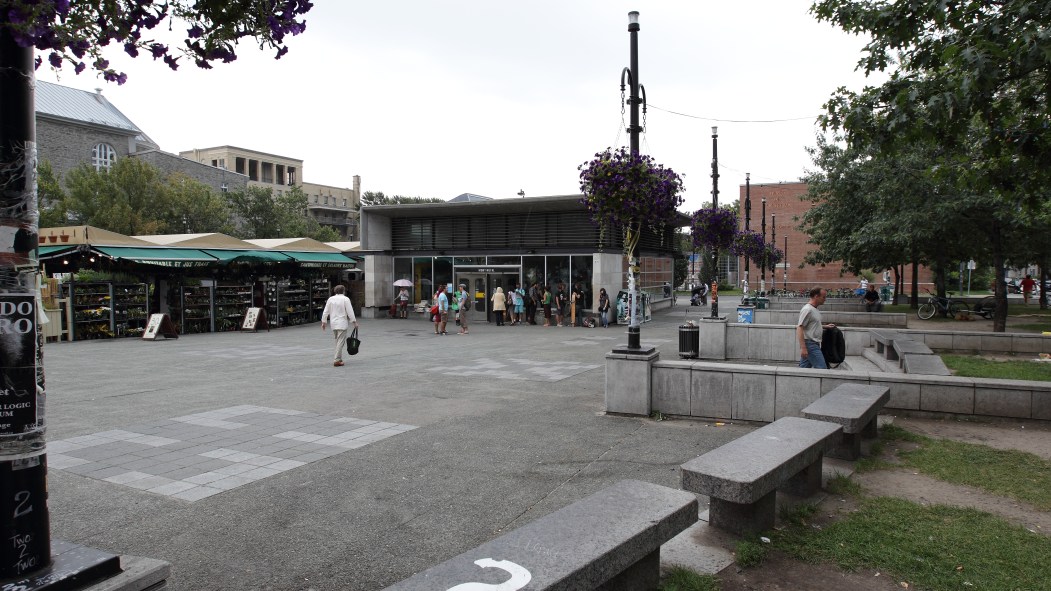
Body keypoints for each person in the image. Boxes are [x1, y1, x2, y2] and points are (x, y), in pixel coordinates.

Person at [797, 287, 835, 369]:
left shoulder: (814, 309)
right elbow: (800, 328)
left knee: (803, 370)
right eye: (823, 297)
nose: (825, 299)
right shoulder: (807, 310)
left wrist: (825, 326)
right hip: (810, 345)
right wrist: (803, 348)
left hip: (813, 344)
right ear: (816, 296)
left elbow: (811, 325)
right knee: (822, 370)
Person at [320, 285, 359, 367]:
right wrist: (354, 322)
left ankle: (339, 358)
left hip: (333, 323)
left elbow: (326, 311)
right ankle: (337, 360)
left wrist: (324, 322)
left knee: (337, 341)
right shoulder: (345, 299)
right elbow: (350, 312)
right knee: (340, 341)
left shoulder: (330, 299)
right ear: (343, 291)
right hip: (342, 323)